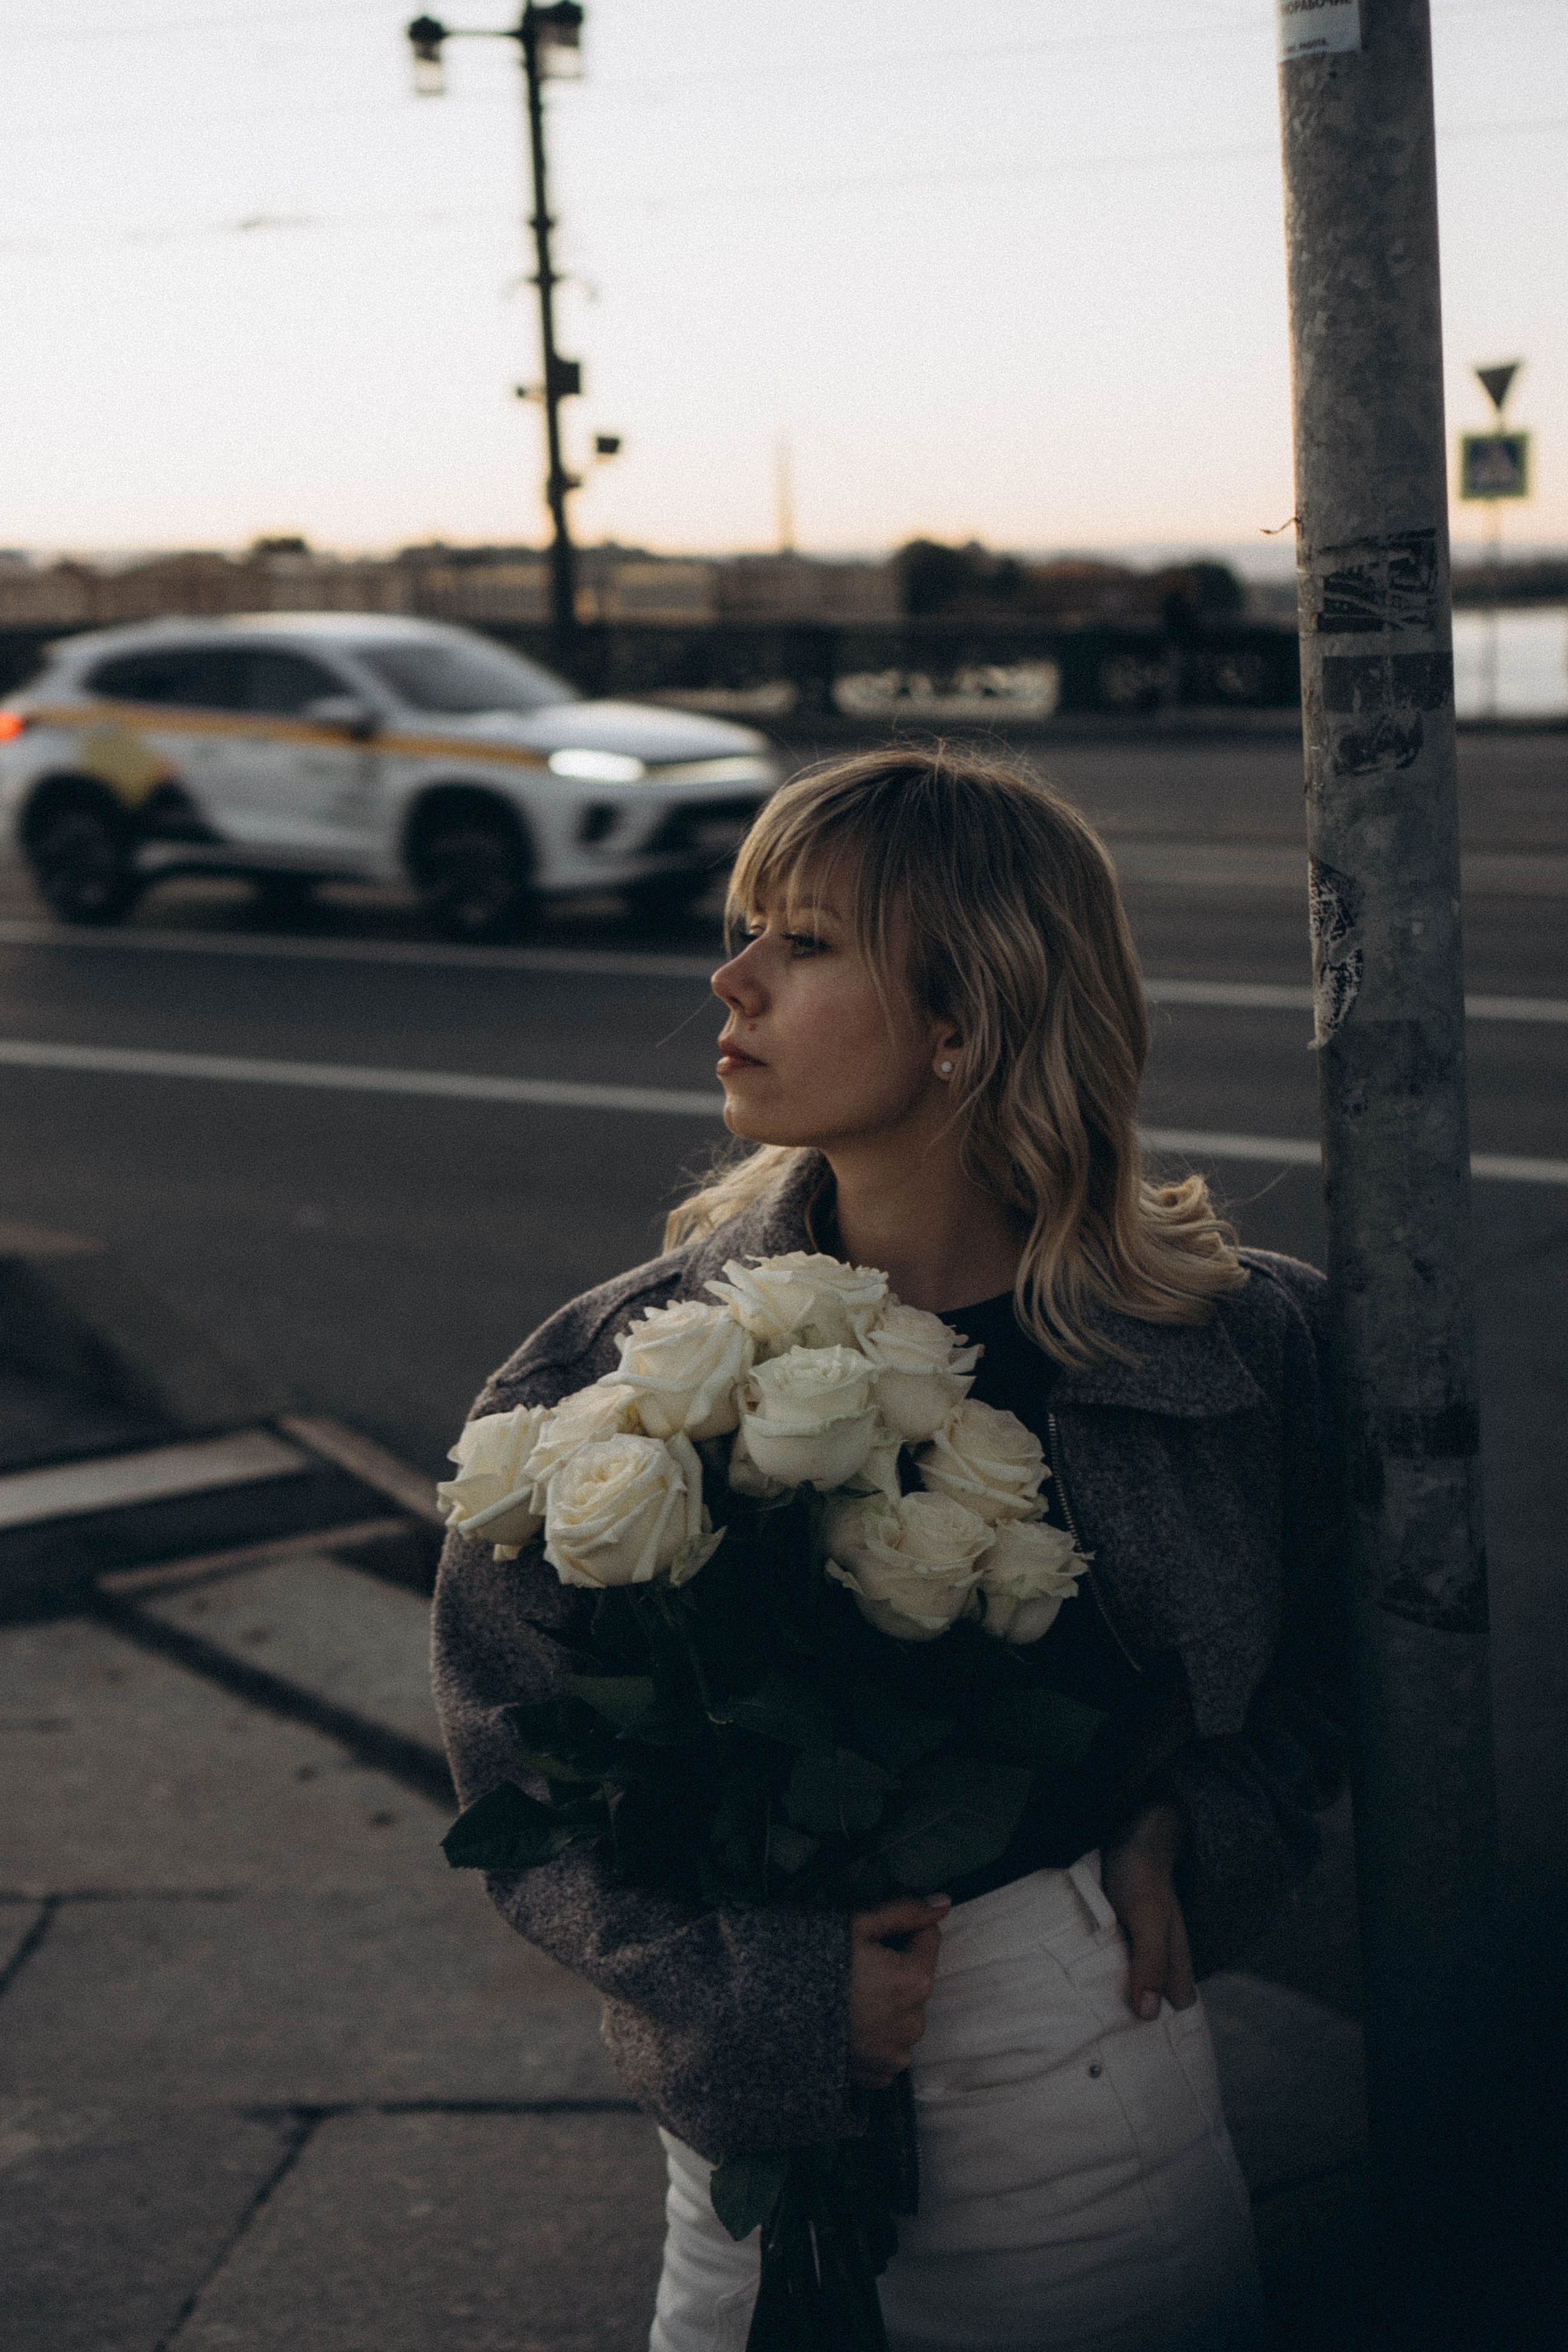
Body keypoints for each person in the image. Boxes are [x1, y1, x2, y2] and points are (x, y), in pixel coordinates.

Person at [431, 748, 1347, 2352]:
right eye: (746, 929)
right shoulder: (620, 1372)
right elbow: (521, 1771)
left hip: (1086, 2097)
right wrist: (771, 1994)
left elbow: (1354, 1652)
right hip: (739, 2155)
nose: (731, 979)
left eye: (805, 941)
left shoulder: (1236, 1347)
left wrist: (1208, 1829)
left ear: (965, 1018)